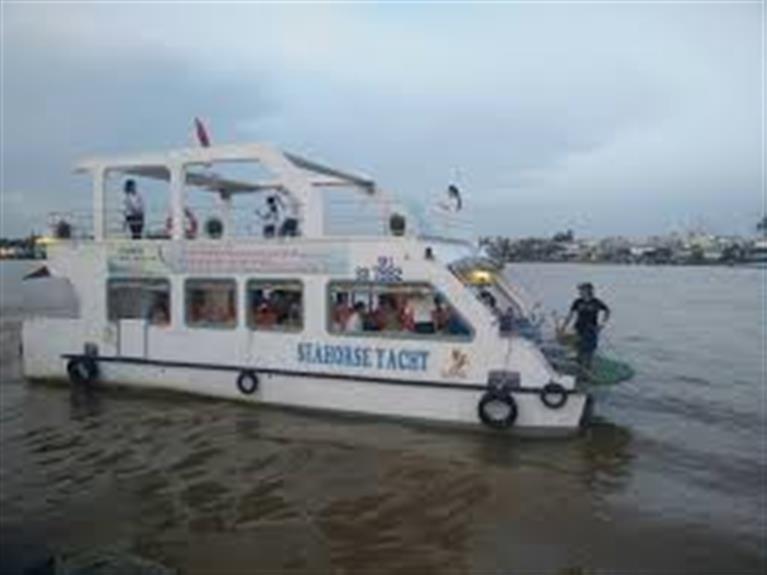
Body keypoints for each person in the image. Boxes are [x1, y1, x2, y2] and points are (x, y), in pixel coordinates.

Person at [561, 282, 611, 375]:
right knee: (579, 349)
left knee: (590, 350)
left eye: (582, 290)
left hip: (591, 329)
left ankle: (588, 369)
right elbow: (570, 315)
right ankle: (580, 368)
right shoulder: (577, 302)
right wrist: (563, 327)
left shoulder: (596, 302)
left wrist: (602, 324)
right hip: (578, 328)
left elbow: (607, 311)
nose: (580, 292)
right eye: (580, 290)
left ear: (588, 291)